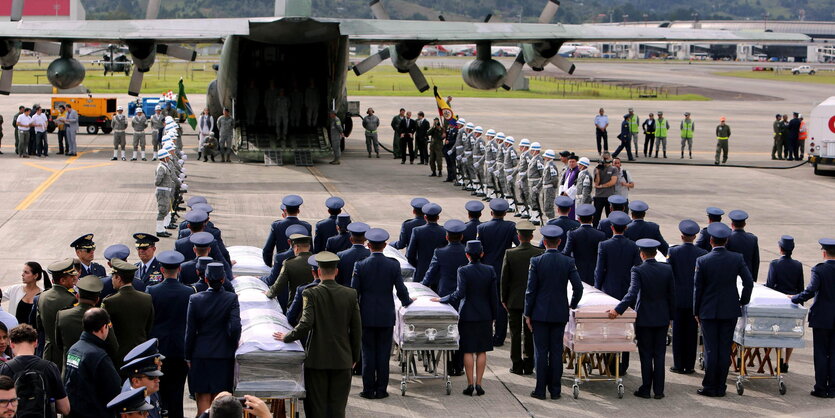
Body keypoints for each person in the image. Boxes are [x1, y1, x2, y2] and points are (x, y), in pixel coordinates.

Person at [276, 252, 361, 418]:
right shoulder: (350, 294)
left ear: (318, 272)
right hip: (342, 359)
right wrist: (354, 356)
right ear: (336, 272)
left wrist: (287, 336)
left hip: (317, 359)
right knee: (337, 408)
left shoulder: (310, 293)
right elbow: (357, 329)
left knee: (316, 407)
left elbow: (306, 323)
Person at [608, 239, 675, 399]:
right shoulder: (667, 269)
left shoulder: (638, 270)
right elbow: (672, 295)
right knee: (659, 354)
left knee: (645, 354)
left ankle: (646, 388)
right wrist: (671, 317)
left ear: (642, 254)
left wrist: (617, 310)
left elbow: (631, 293)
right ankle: (659, 391)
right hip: (662, 317)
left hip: (645, 317)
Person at [351, 228, 412, 399]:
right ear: (385, 245)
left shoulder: (360, 265)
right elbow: (401, 290)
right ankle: (382, 389)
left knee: (368, 353)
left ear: (368, 245)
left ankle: (368, 389)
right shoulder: (393, 264)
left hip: (366, 315)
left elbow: (354, 292)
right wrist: (408, 302)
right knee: (383, 354)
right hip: (386, 315)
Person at [694, 222, 754, 397]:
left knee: (711, 349)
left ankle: (710, 386)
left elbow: (698, 289)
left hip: (708, 310)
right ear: (726, 240)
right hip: (730, 309)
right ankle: (721, 386)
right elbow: (748, 282)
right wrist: (743, 301)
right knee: (725, 348)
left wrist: (696, 311)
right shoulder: (737, 258)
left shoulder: (703, 260)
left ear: (711, 240)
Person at [524, 225, 583, 399]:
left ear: (544, 242)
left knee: (541, 352)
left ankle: (540, 390)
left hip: (540, 313)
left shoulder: (536, 261)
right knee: (557, 352)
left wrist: (528, 313)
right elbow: (578, 287)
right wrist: (571, 304)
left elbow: (530, 290)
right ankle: (555, 391)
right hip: (559, 312)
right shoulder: (568, 261)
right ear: (559, 242)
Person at [433, 240, 497, 396]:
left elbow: (459, 294)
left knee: (468, 350)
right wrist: (494, 315)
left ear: (467, 255)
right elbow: (493, 296)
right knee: (482, 351)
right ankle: (479, 384)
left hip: (468, 314)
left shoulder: (463, 271)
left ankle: (470, 385)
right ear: (482, 254)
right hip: (485, 314)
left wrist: (442, 299)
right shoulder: (490, 270)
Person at [185, 263, 241, 413]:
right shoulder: (231, 298)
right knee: (220, 403)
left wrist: (188, 356)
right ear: (223, 280)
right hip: (223, 355)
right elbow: (235, 327)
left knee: (203, 401)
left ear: (206, 279)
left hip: (200, 354)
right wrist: (232, 344)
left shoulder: (195, 299)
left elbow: (190, 331)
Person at [146, 251, 193, 418]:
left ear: (161, 269)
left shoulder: (151, 290)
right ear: (179, 269)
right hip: (180, 350)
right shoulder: (189, 292)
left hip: (159, 350)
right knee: (177, 392)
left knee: (159, 391)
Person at [594, 211, 641, 374]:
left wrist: (597, 290)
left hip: (609, 290)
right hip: (627, 290)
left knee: (609, 327)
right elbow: (637, 267)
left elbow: (599, 271)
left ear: (612, 227)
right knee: (626, 328)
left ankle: (609, 362)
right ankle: (622, 365)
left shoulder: (604, 245)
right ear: (626, 228)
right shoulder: (634, 246)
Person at [789, 238, 835, 397]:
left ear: (824, 253)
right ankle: (833, 389)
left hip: (822, 317)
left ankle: (821, 388)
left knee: (821, 353)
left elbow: (810, 291)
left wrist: (794, 298)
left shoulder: (819, 270)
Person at [501, 221, 543, 375]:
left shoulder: (510, 253)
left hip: (514, 300)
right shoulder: (539, 253)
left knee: (515, 333)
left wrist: (503, 298)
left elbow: (504, 279)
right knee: (530, 332)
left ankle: (516, 364)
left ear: (518, 236)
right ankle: (528, 362)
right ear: (532, 236)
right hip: (533, 301)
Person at [63, 308, 122, 418]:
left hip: (75, 411)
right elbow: (114, 389)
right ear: (103, 328)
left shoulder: (74, 349)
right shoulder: (98, 356)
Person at [1, 324, 70, 417]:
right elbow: (65, 408)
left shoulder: (4, 369)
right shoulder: (50, 368)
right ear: (36, 343)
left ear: (11, 344)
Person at [668, 220, 708, 375]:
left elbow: (670, 275)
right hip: (694, 299)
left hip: (678, 298)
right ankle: (689, 365)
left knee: (678, 333)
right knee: (692, 334)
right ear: (695, 236)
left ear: (682, 236)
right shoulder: (702, 253)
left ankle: (678, 364)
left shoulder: (674, 252)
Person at [477, 198, 519, 347]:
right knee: (502, 304)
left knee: (486, 302)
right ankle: (499, 336)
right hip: (503, 270)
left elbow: (479, 249)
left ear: (491, 212)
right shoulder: (511, 226)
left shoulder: (482, 228)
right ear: (505, 213)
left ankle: (486, 334)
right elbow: (518, 244)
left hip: (486, 269)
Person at [55, 275, 118, 373]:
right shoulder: (102, 317)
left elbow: (59, 345)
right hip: (94, 371)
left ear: (77, 296)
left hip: (70, 371)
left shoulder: (62, 315)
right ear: (97, 300)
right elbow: (113, 347)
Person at [102, 259, 154, 365]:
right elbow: (149, 326)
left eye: (113, 276)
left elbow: (105, 331)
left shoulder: (109, 301)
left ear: (119, 278)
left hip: (119, 356)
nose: (112, 279)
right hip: (140, 353)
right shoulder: (146, 298)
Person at [763, 236, 802, 373]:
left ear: (780, 249)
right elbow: (800, 287)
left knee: (774, 331)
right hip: (792, 304)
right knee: (789, 333)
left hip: (777, 303)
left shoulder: (775, 264)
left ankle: (775, 359)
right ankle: (786, 361)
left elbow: (769, 286)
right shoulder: (798, 265)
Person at [37, 259, 78, 367]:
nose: (74, 278)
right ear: (62, 280)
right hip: (65, 353)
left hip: (48, 351)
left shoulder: (42, 296)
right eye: (71, 276)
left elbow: (39, 325)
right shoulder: (71, 299)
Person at [262, 195, 312, 266]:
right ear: (298, 211)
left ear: (285, 210)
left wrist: (270, 265)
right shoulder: (307, 226)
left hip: (282, 263)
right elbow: (311, 249)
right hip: (302, 265)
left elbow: (267, 250)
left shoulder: (276, 226)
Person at [266, 233, 314, 307]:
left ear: (296, 248)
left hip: (296, 306)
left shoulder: (289, 263)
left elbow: (278, 286)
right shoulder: (317, 262)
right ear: (309, 246)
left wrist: (269, 293)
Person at [563, 204, 607, 285]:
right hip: (594, 272)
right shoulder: (601, 235)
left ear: (579, 219)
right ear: (592, 218)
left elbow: (566, 253)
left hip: (577, 271)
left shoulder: (572, 234)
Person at [407, 203, 447, 283]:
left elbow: (410, 254)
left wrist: (417, 265)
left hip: (421, 270)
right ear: (438, 217)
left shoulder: (417, 231)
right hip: (438, 273)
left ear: (425, 217)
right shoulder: (444, 231)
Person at [726, 210, 760, 282]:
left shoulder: (727, 238)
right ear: (744, 224)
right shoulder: (753, 239)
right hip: (748, 276)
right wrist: (753, 280)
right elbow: (756, 261)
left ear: (732, 224)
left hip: (731, 276)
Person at [334, 222, 371, 287]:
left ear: (351, 239)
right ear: (365, 239)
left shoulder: (340, 255)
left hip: (346, 292)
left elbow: (338, 277)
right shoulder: (370, 254)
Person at [154, 149, 178, 238]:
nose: (168, 157)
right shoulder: (162, 167)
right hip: (162, 191)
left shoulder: (165, 166)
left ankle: (163, 228)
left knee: (167, 209)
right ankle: (159, 230)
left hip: (166, 191)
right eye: (167, 156)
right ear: (164, 158)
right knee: (162, 210)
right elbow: (157, 181)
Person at [592, 152, 618, 227]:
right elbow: (596, 183)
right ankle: (595, 229)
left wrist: (602, 186)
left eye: (606, 158)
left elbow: (613, 182)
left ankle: (610, 230)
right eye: (604, 158)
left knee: (610, 216)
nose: (605, 160)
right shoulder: (597, 169)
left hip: (609, 196)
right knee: (596, 216)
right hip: (599, 196)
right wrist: (598, 172)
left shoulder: (613, 169)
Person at [538, 150, 560, 222]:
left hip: (549, 188)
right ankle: (549, 220)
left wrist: (551, 188)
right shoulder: (547, 165)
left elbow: (555, 179)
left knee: (548, 206)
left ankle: (551, 221)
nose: (544, 157)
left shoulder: (551, 166)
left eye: (545, 156)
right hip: (546, 188)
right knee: (545, 206)